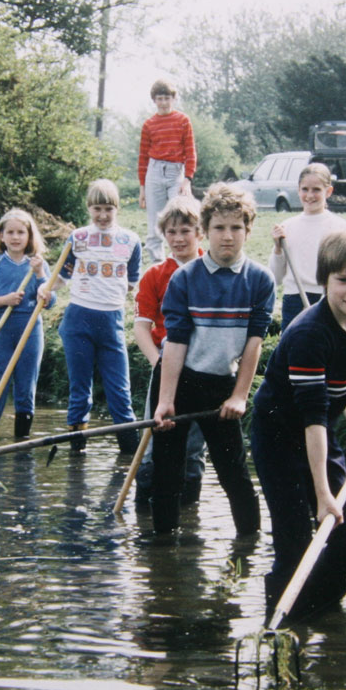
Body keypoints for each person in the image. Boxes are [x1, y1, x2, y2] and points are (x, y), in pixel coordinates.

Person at [250, 227, 346, 621]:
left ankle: (314, 615)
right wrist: (324, 495)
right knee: (294, 544)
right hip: (278, 437)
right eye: (343, 280)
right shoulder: (309, 334)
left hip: (323, 435)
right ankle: (280, 627)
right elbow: (311, 417)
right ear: (324, 281)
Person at [150, 183, 273, 537]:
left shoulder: (260, 280)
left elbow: (254, 342)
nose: (228, 236)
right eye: (219, 227)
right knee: (167, 473)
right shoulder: (184, 278)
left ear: (248, 230)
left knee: (234, 473)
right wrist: (166, 401)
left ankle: (248, 544)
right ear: (205, 230)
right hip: (179, 379)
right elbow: (175, 342)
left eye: (236, 227)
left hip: (222, 385)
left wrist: (240, 396)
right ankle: (162, 551)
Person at [53, 179, 142, 454]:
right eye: (97, 209)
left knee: (120, 391)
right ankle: (77, 452)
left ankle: (129, 453)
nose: (102, 215)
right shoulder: (77, 238)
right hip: (78, 320)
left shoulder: (131, 240)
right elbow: (61, 277)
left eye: (108, 209)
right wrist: (45, 288)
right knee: (80, 389)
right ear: (88, 208)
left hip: (112, 321)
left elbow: (132, 283)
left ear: (117, 208)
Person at [131, 195, 208, 509]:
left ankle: (188, 513)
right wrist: (158, 362)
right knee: (153, 439)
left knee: (194, 446)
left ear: (199, 233)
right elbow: (141, 328)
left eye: (185, 231)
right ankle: (144, 508)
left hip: (204, 368)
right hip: (166, 365)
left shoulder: (213, 272)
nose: (178, 239)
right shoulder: (154, 275)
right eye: (171, 232)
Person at [0, 208, 54, 442]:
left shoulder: (38, 264)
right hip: (2, 329)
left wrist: (40, 276)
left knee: (26, 385)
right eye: (10, 232)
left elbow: (50, 302)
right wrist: (4, 300)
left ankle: (21, 442)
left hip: (30, 330)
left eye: (21, 232)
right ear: (1, 235)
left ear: (29, 236)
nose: (15, 237)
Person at [269, 162, 346, 331]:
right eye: (305, 189)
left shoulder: (340, 227)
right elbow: (275, 277)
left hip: (329, 297)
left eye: (316, 190)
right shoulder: (287, 227)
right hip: (294, 299)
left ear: (328, 191)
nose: (309, 195)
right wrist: (278, 248)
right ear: (298, 190)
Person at [138, 79, 196, 263]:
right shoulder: (149, 125)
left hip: (175, 172)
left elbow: (190, 151)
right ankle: (158, 266)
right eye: (159, 98)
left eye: (166, 98)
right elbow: (143, 158)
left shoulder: (183, 120)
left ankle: (182, 262)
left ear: (173, 98)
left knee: (179, 216)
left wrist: (187, 179)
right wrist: (142, 188)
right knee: (155, 224)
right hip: (154, 172)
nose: (163, 102)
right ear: (154, 100)